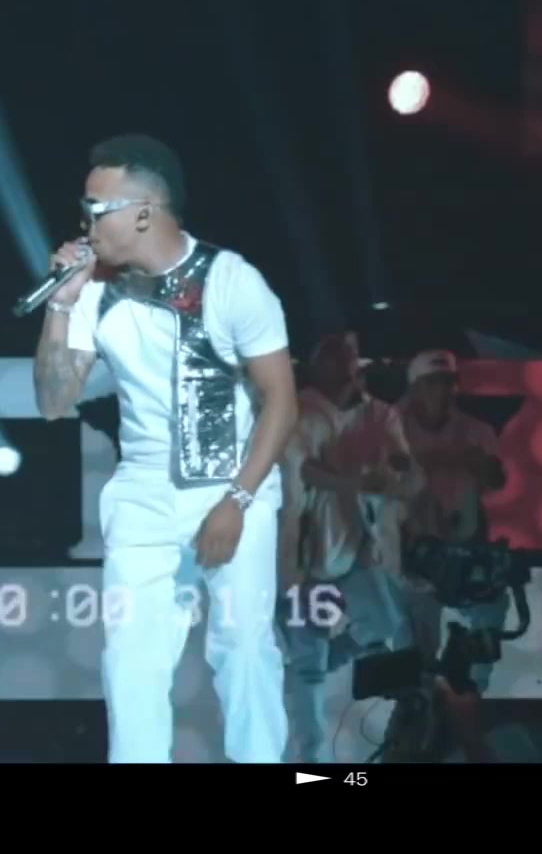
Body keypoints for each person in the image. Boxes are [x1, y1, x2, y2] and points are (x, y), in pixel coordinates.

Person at [32, 133, 299, 764]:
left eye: (96, 209)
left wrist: (236, 501)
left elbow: (282, 401)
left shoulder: (233, 281)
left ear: (143, 212)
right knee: (132, 660)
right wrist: (61, 307)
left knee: (244, 647)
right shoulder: (92, 291)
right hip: (144, 492)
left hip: (235, 482)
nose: (84, 224)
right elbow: (53, 401)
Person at [276, 330, 424, 763]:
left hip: (356, 546)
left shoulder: (379, 414)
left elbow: (407, 474)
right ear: (318, 362)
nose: (349, 360)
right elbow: (303, 470)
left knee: (383, 622)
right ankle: (311, 767)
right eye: (338, 353)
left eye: (353, 353)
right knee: (309, 661)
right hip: (300, 556)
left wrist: (402, 475)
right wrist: (353, 482)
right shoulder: (296, 410)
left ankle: (303, 670)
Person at [397, 349, 508, 691]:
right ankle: (415, 708)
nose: (442, 391)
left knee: (491, 613)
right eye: (433, 383)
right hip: (410, 551)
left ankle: (471, 696)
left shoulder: (476, 431)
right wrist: (438, 459)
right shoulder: (388, 426)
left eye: (448, 382)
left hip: (464, 544)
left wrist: (481, 466)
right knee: (415, 650)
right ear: (414, 387)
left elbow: (496, 482)